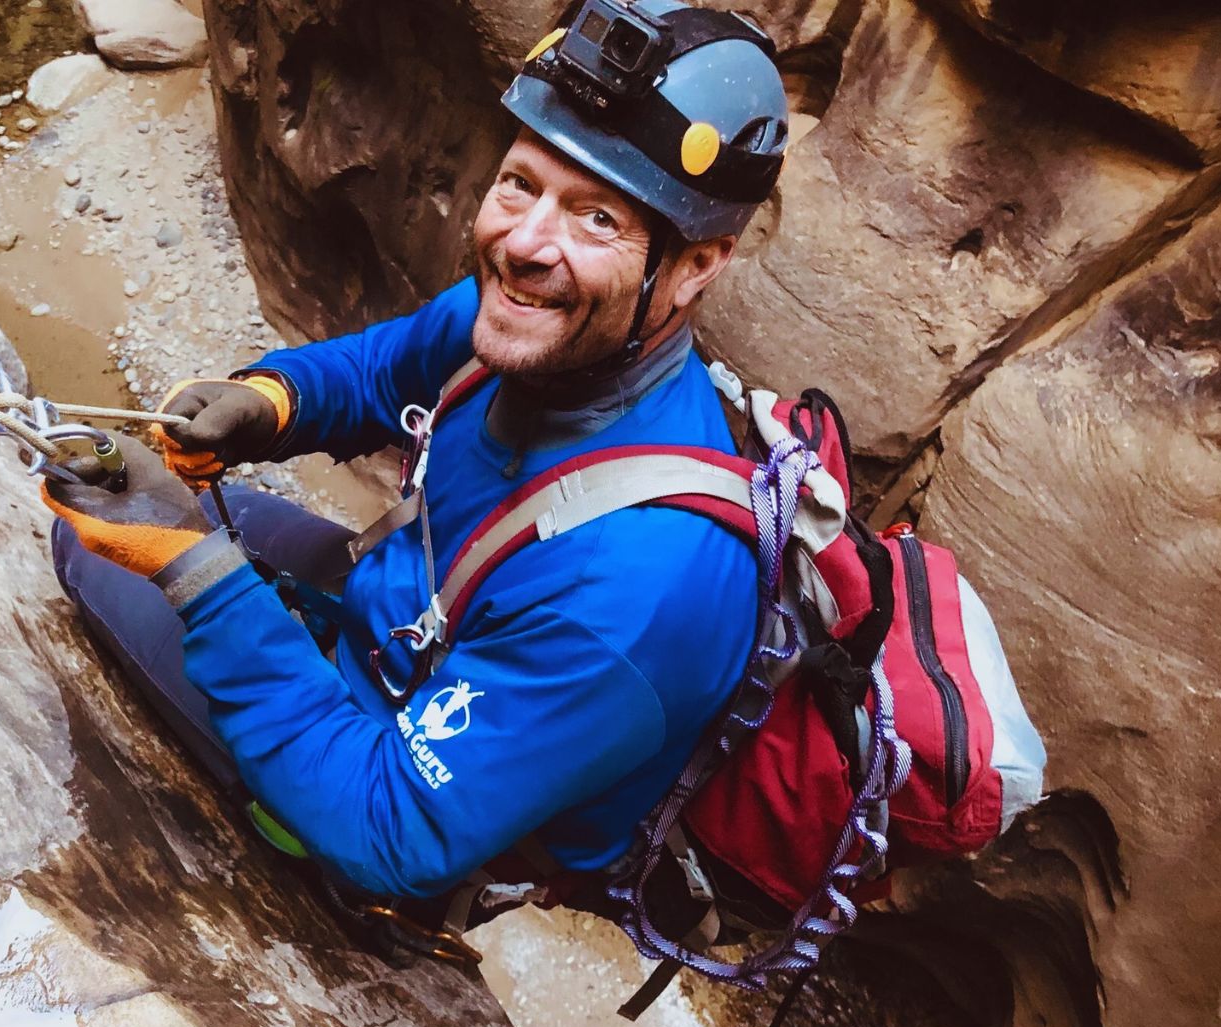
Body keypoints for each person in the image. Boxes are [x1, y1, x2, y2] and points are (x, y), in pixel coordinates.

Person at [46, 0, 789, 941]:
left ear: (693, 269)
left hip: (405, 796)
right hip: (401, 625)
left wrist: (197, 568)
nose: (525, 243)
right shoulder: (527, 326)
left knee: (93, 551)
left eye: (596, 216)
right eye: (522, 185)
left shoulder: (643, 588)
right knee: (156, 531)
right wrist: (269, 403)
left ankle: (364, 920)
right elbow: (380, 368)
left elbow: (390, 827)